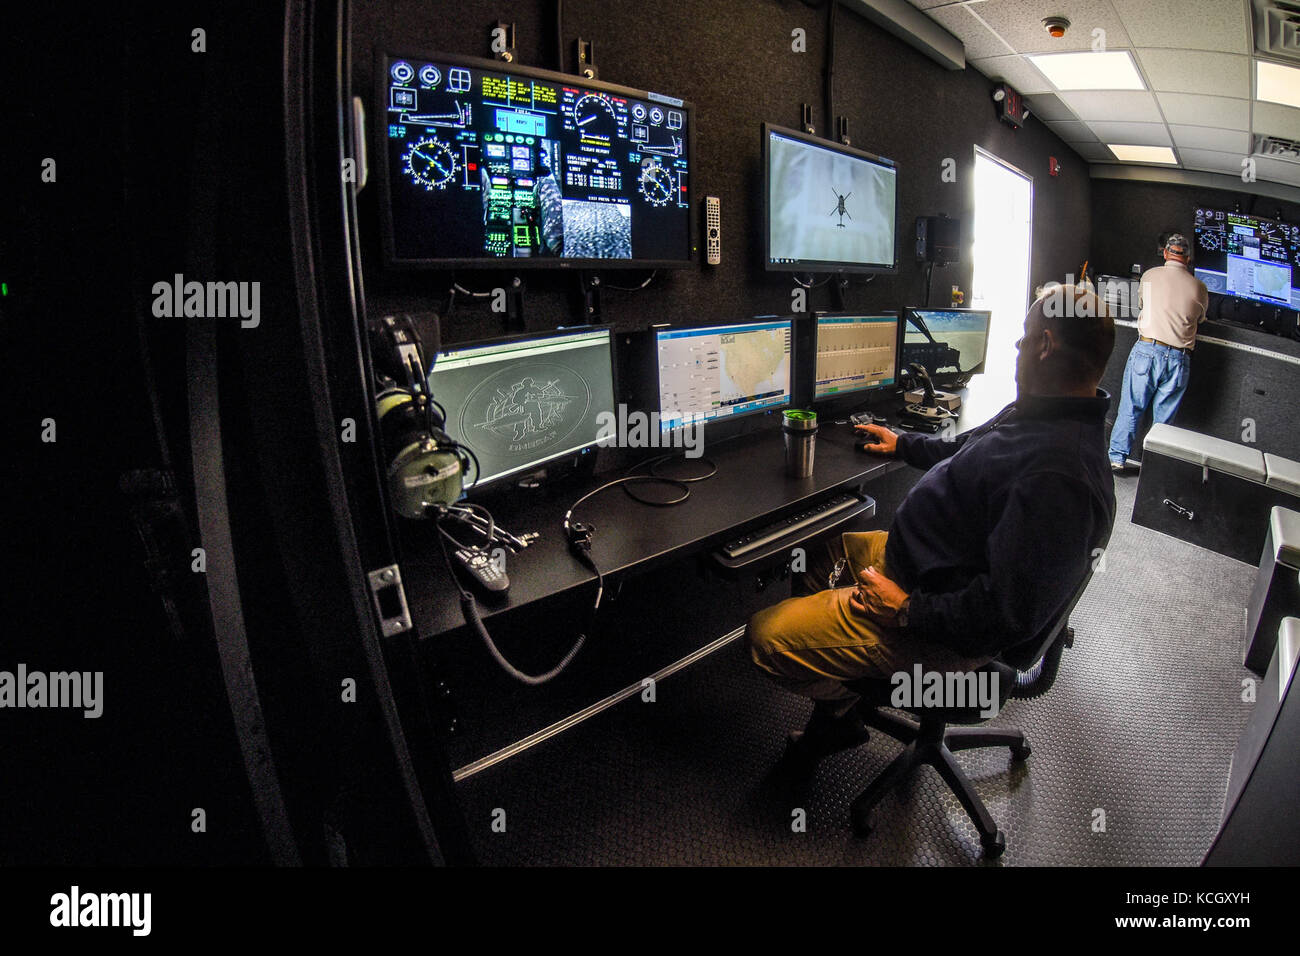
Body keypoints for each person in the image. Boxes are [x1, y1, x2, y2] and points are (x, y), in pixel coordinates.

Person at [747, 286, 1117, 760]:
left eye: (1024, 339)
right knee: (823, 553)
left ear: (1046, 345)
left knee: (765, 639)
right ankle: (837, 717)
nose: (1018, 349)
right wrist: (903, 444)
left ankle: (844, 685)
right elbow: (969, 454)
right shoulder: (1045, 414)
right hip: (923, 567)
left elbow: (1007, 615)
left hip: (939, 629)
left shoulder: (1060, 475)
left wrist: (906, 609)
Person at [1107, 234, 1209, 472]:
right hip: (1179, 358)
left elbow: (1142, 304)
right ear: (1188, 257)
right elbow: (1201, 318)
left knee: (1131, 407)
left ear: (1165, 253)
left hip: (1147, 350)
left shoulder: (1150, 275)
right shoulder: (1199, 287)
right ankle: (1152, 468)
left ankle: (1117, 458)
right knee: (1164, 421)